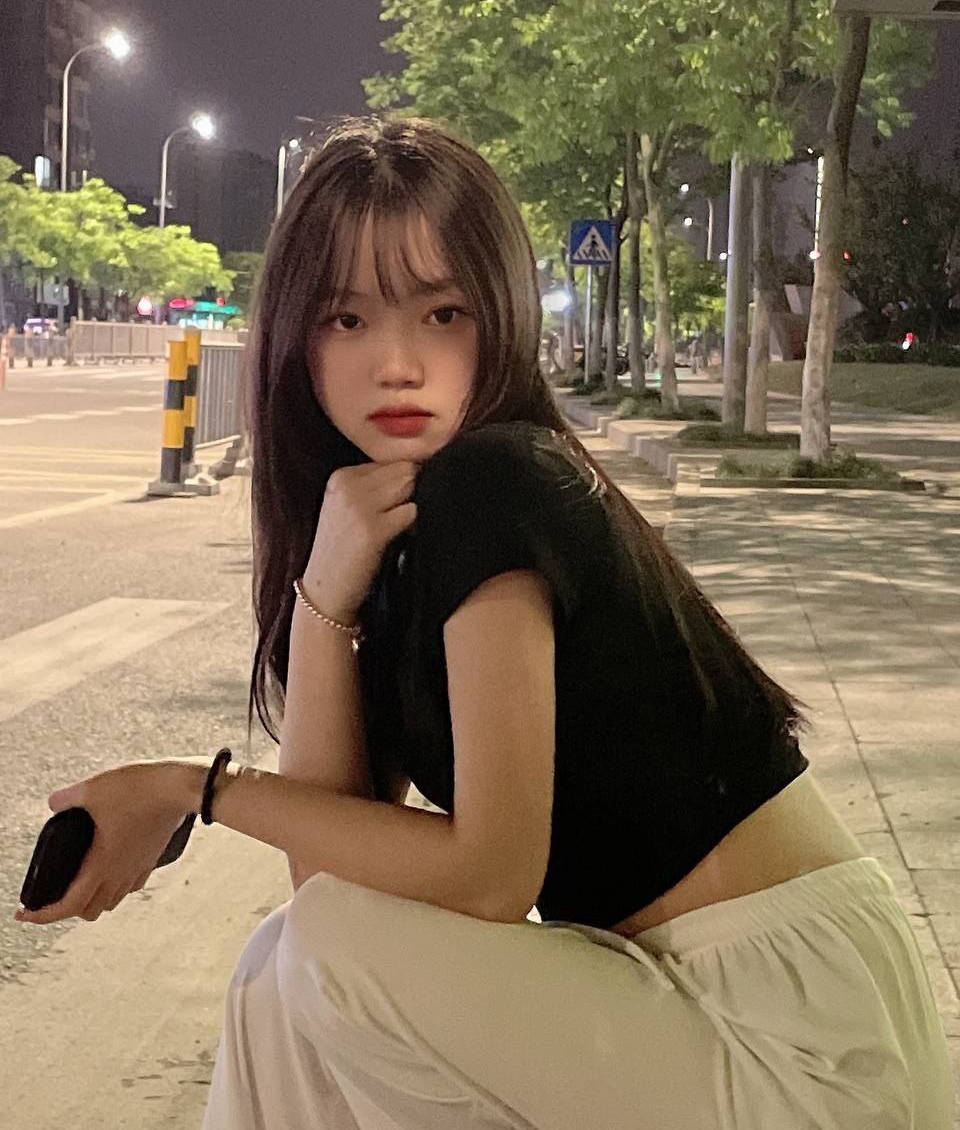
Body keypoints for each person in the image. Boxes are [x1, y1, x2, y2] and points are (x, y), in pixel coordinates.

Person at [15, 116, 953, 1130]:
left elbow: (492, 876)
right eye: (346, 318)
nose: (398, 363)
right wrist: (326, 588)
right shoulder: (400, 529)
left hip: (796, 1029)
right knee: (279, 962)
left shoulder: (497, 480)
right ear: (294, 338)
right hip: (676, 990)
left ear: (498, 314)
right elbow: (332, 875)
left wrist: (191, 789)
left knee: (324, 955)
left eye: (443, 312)